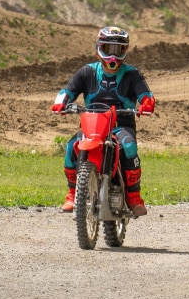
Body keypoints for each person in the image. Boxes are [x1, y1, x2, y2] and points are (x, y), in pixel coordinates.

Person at [51, 26, 155, 216]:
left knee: (129, 146)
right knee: (71, 146)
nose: (113, 56)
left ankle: (133, 196)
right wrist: (61, 103)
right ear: (99, 48)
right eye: (108, 49)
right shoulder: (87, 72)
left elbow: (146, 94)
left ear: (125, 51)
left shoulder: (133, 74)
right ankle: (73, 193)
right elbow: (67, 91)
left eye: (118, 50)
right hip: (92, 127)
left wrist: (146, 104)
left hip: (121, 125)